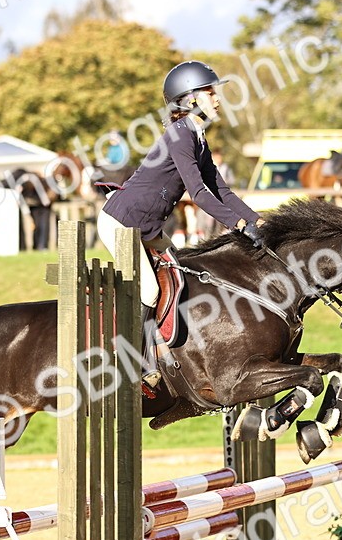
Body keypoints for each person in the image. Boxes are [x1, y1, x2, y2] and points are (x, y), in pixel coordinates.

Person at [98, 60, 264, 388]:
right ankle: (135, 361)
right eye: (210, 92)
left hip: (146, 228)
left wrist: (258, 220)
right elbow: (199, 194)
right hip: (121, 223)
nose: (217, 99)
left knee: (181, 272)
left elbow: (221, 190)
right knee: (148, 289)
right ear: (189, 99)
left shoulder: (196, 135)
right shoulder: (179, 134)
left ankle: (175, 352)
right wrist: (240, 225)